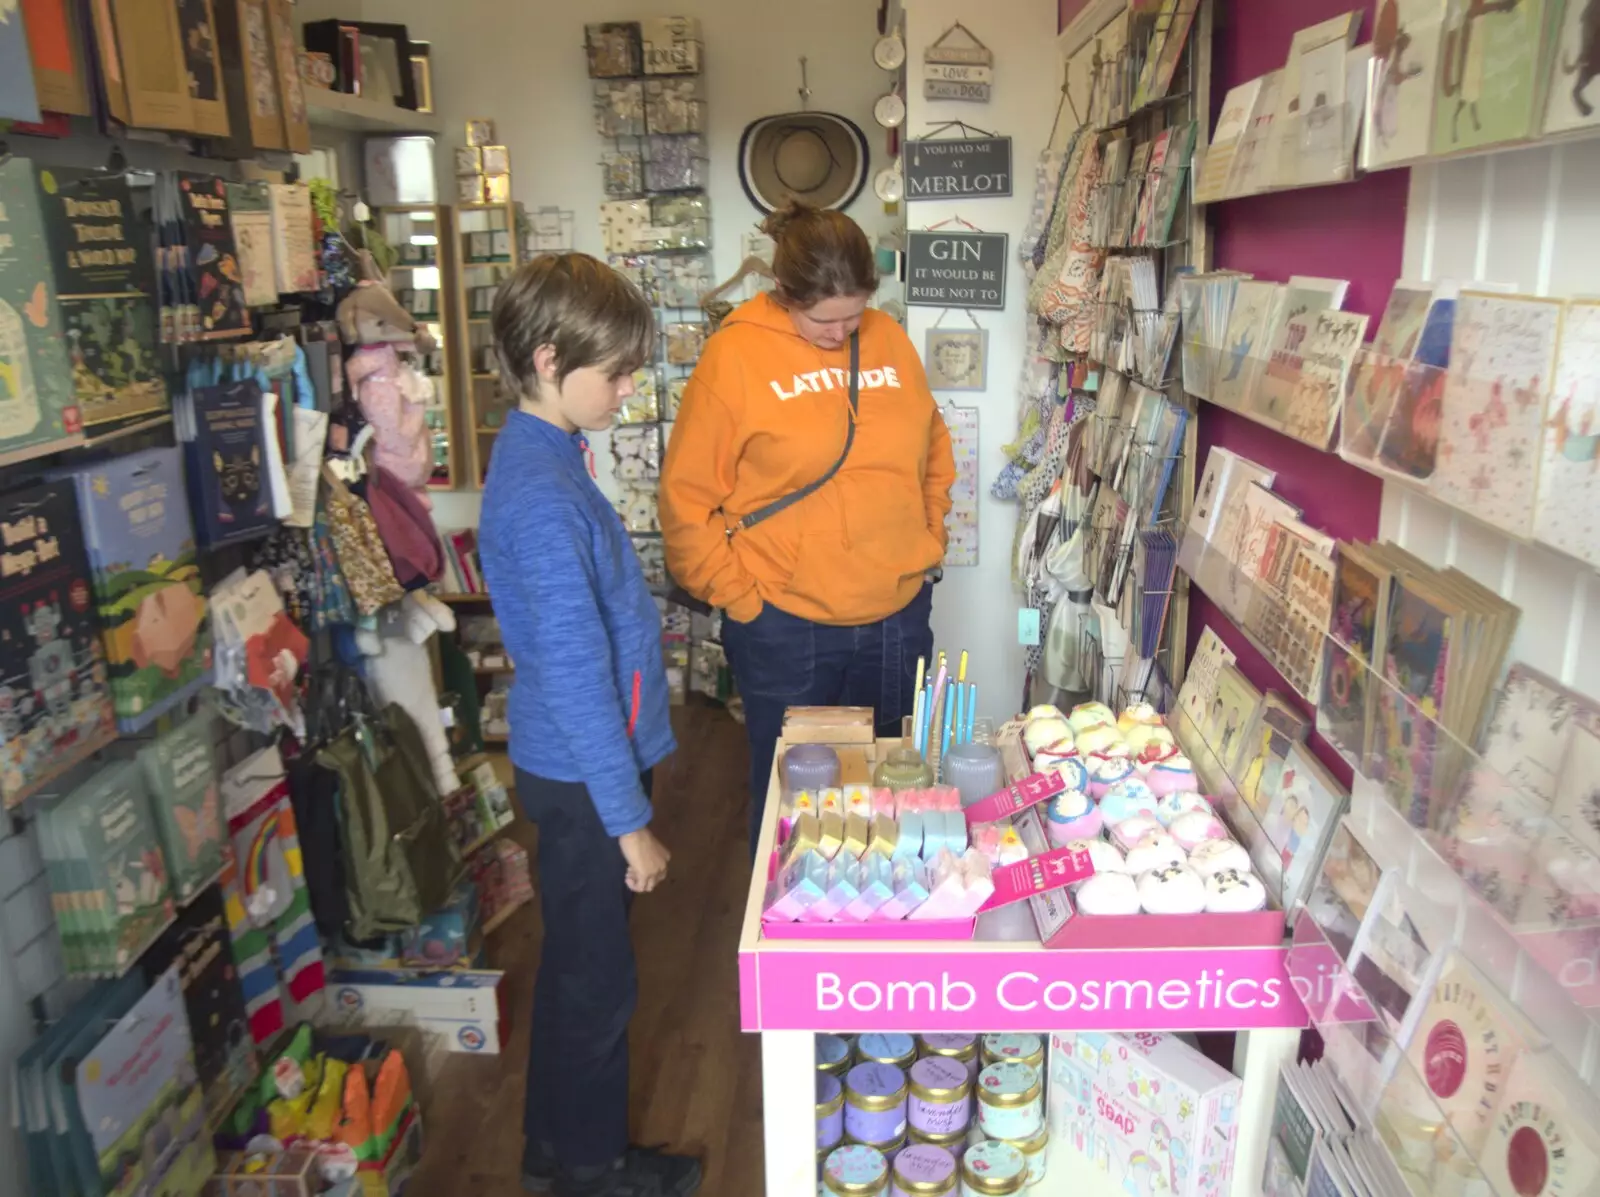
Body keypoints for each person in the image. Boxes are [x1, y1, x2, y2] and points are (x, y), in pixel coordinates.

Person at [478, 254, 701, 1197]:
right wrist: (630, 824)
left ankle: (558, 1144)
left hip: (580, 766)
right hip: (581, 776)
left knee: (581, 965)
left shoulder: (545, 457)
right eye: (613, 372)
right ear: (545, 358)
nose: (627, 388)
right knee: (595, 979)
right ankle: (588, 1168)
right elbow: (572, 677)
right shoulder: (540, 493)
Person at [660, 201, 955, 856]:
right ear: (784, 295)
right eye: (825, 319)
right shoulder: (733, 356)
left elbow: (934, 447)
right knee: (797, 801)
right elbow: (685, 501)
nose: (842, 331)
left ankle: (880, 931)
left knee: (891, 786)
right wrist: (740, 597)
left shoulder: (888, 340)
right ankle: (791, 937)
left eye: (855, 314)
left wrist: (927, 537)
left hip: (897, 612)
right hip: (785, 622)